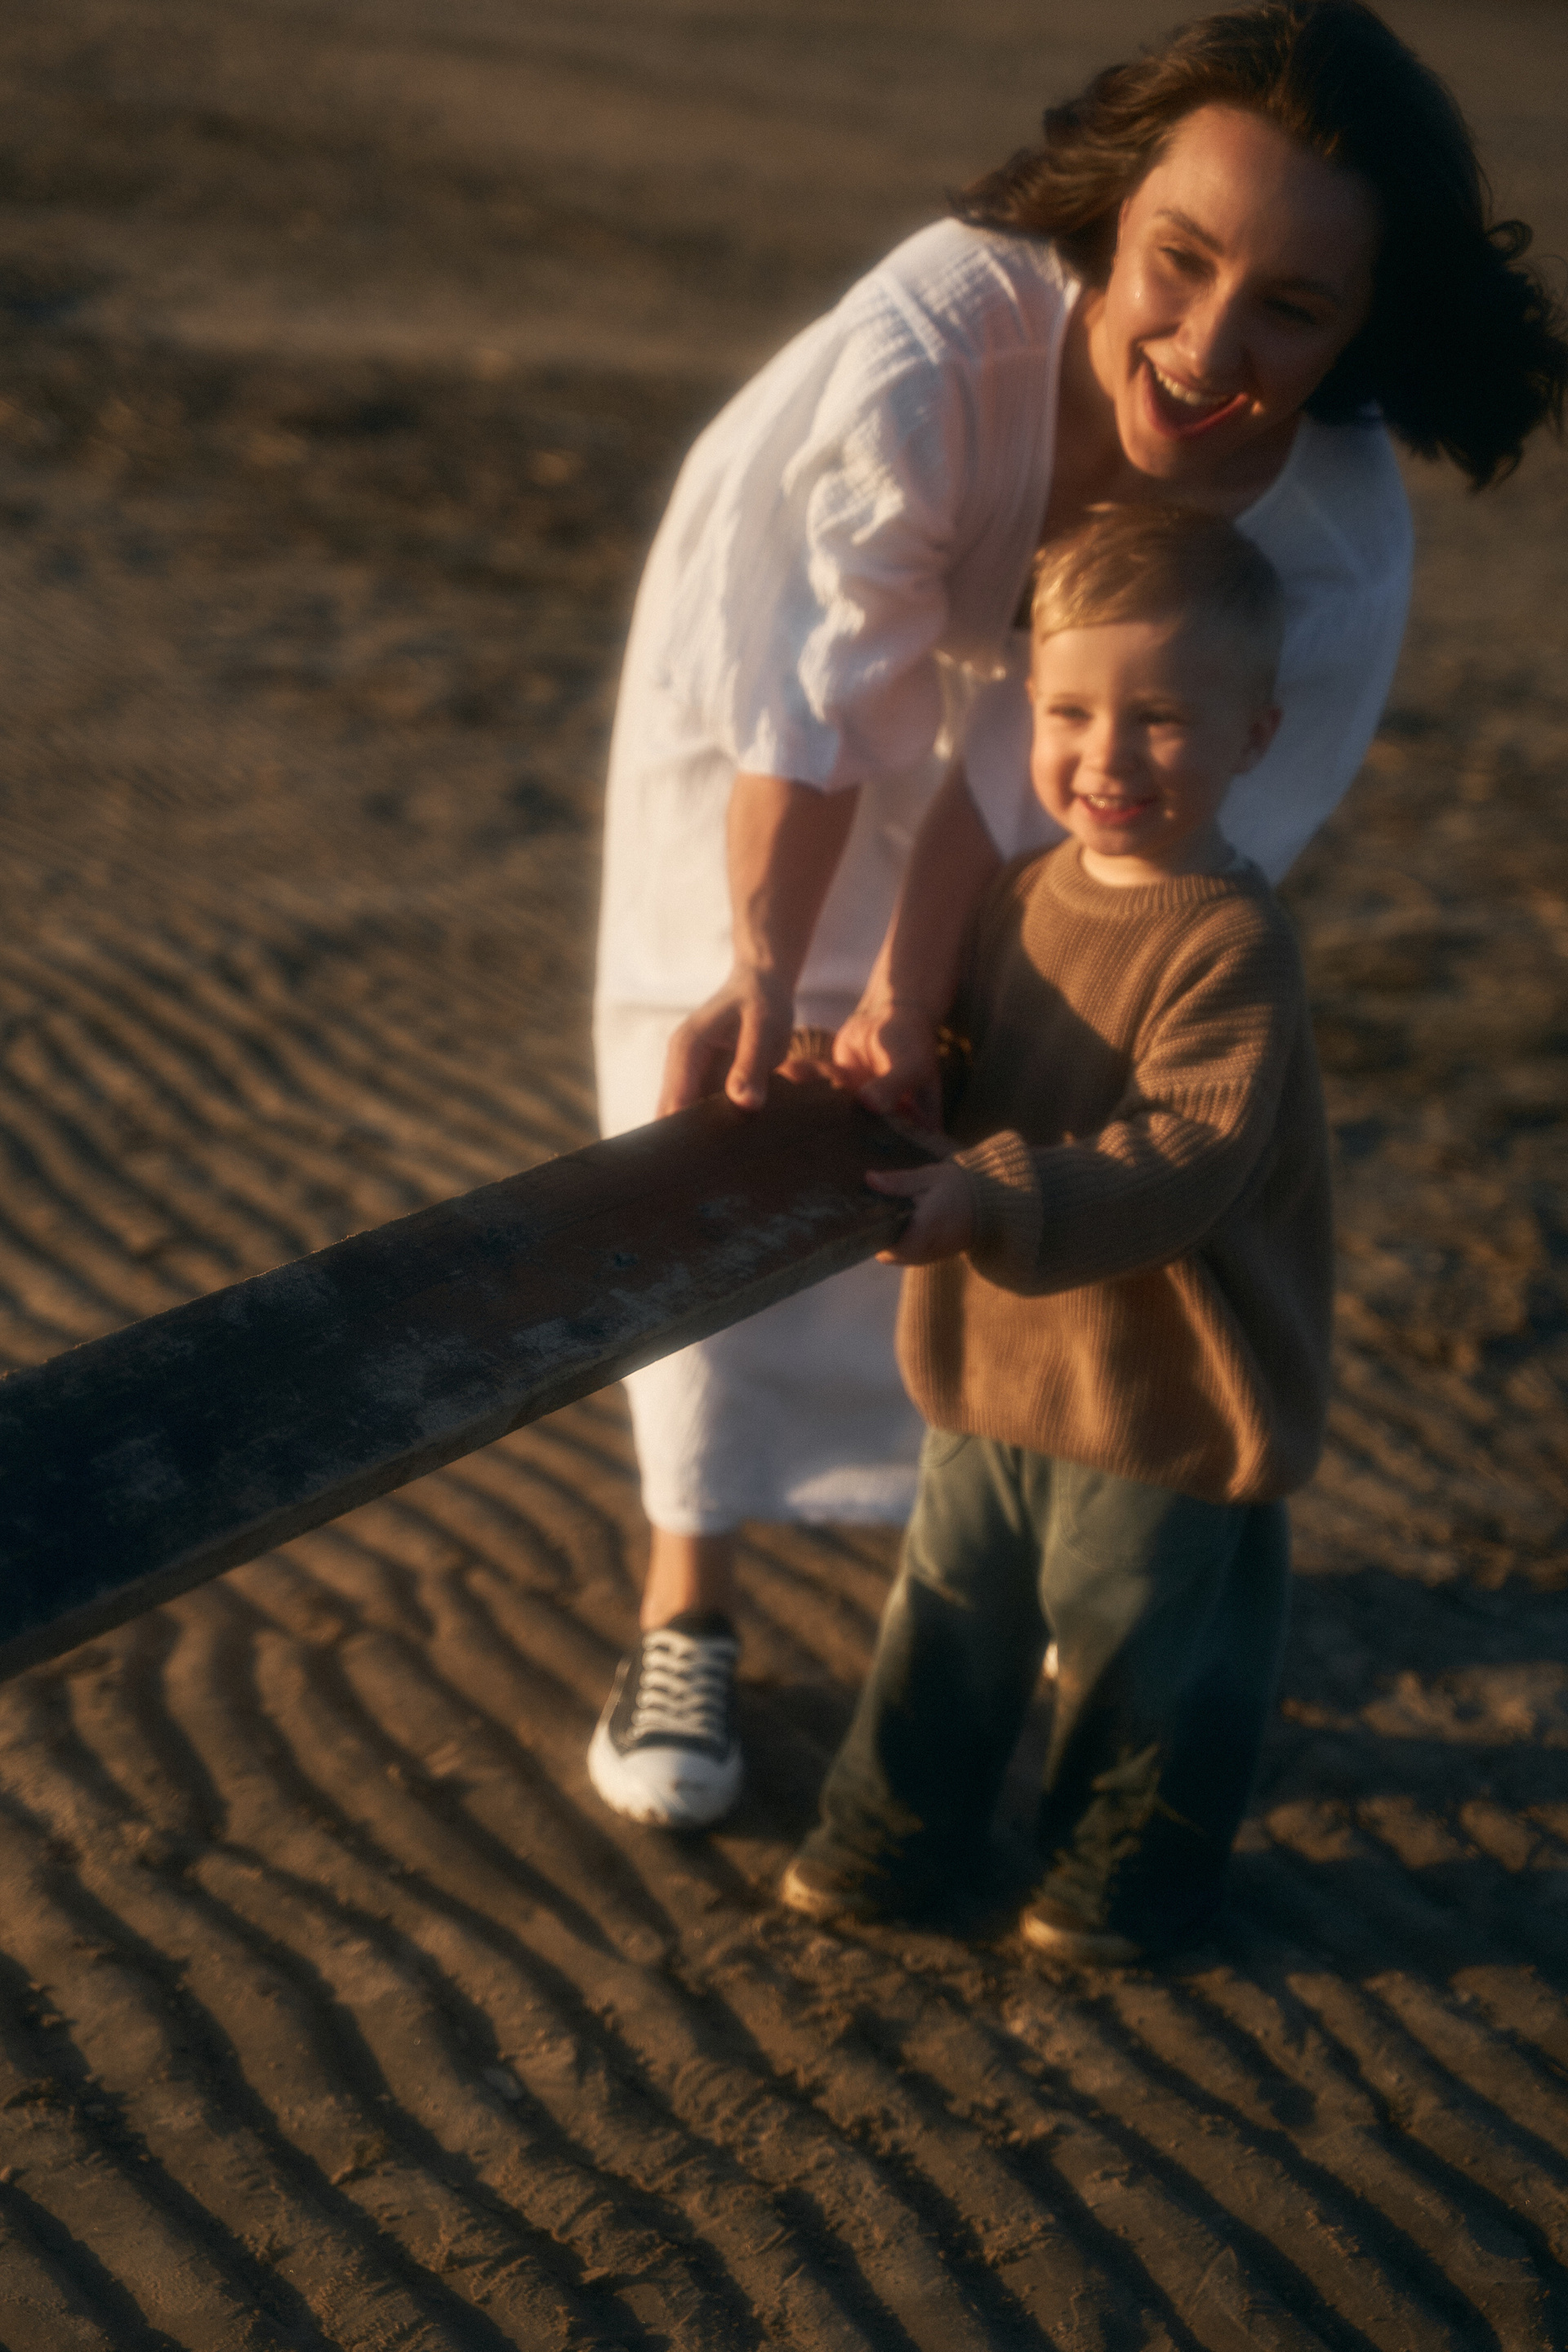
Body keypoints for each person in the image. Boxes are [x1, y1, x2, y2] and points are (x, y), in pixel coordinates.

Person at [587, 0, 1567, 1832]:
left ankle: (1009, 1536)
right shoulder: (930, 356)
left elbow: (1100, 847)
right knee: (723, 1068)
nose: (1206, 348)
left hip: (1087, 756)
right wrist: (768, 971)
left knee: (1014, 1091)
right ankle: (684, 1599)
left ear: (1363, 329)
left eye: (1292, 307)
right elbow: (816, 714)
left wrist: (924, 1005)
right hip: (797, 672)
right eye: (1178, 261)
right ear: (1115, 216)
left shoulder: (1327, 551)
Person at [780, 502, 1325, 1960]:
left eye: (1162, 719)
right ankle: (894, 1831)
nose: (1108, 757)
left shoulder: (1231, 943)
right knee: (947, 1609)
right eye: (1072, 712)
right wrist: (875, 1078)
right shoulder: (1022, 898)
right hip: (1000, 1354)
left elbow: (1189, 1152)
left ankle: (1125, 1877)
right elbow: (976, 1070)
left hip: (1161, 1382)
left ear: (1256, 735)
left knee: (1142, 1639)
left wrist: (992, 1197)